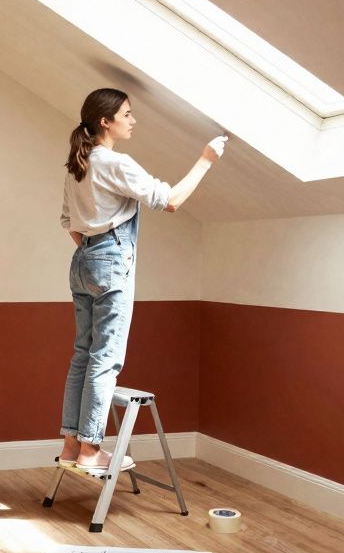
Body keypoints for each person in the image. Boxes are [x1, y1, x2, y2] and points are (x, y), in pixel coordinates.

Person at [59, 88, 227, 471]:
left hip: (82, 259)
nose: (133, 121)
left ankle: (71, 444)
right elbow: (171, 200)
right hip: (110, 261)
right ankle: (89, 450)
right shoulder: (115, 163)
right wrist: (206, 160)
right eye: (127, 114)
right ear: (106, 121)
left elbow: (68, 222)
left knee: (83, 355)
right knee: (105, 359)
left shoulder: (77, 165)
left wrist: (93, 248)